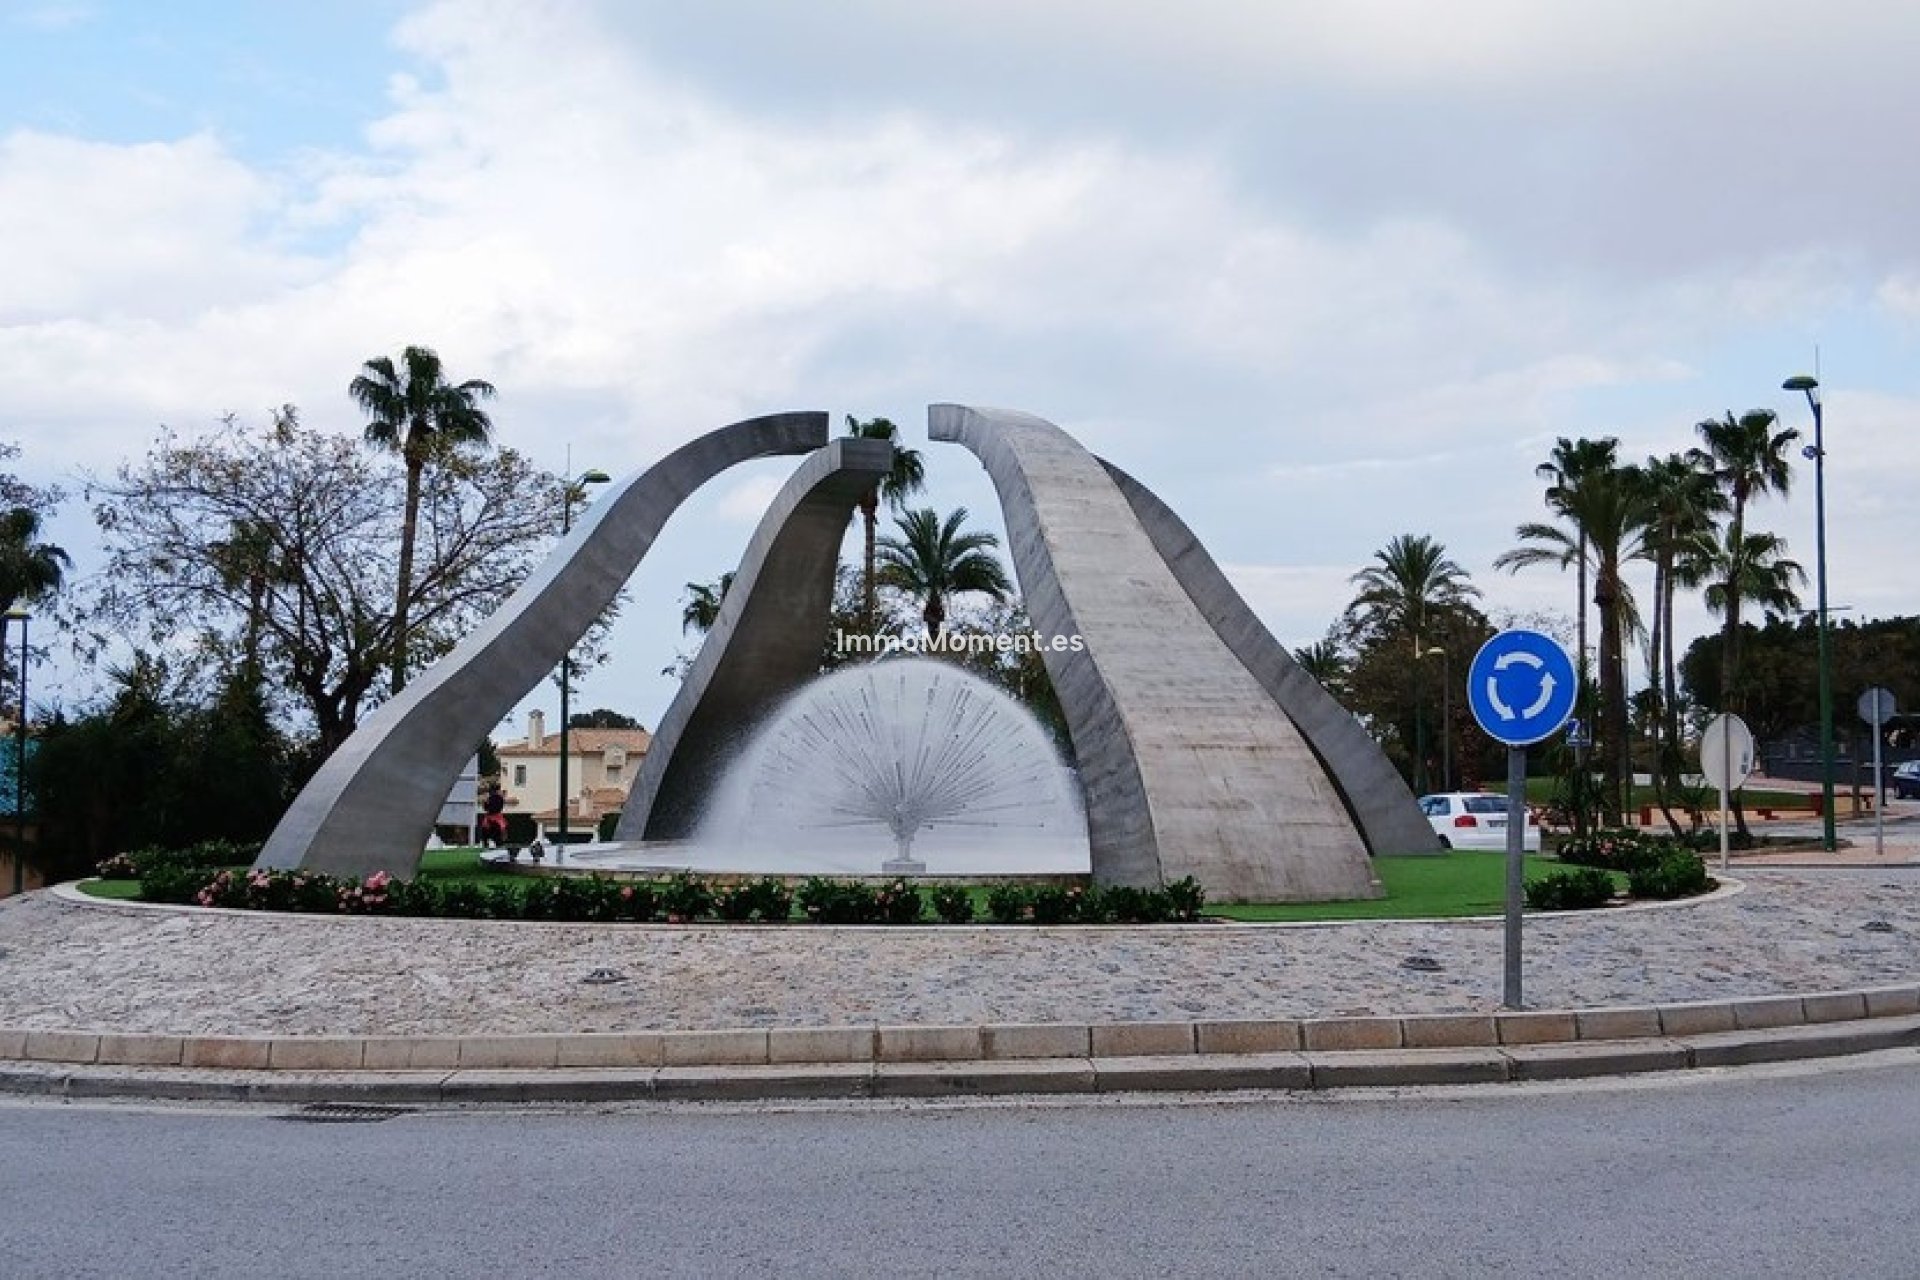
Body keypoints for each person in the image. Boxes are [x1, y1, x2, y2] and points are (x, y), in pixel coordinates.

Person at [479, 782, 509, 849]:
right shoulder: (500, 798)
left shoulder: (489, 798)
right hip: (498, 817)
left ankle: (486, 844)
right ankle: (500, 842)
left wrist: (484, 803)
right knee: (502, 829)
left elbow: (486, 808)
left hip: (490, 817)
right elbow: (501, 807)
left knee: (484, 831)